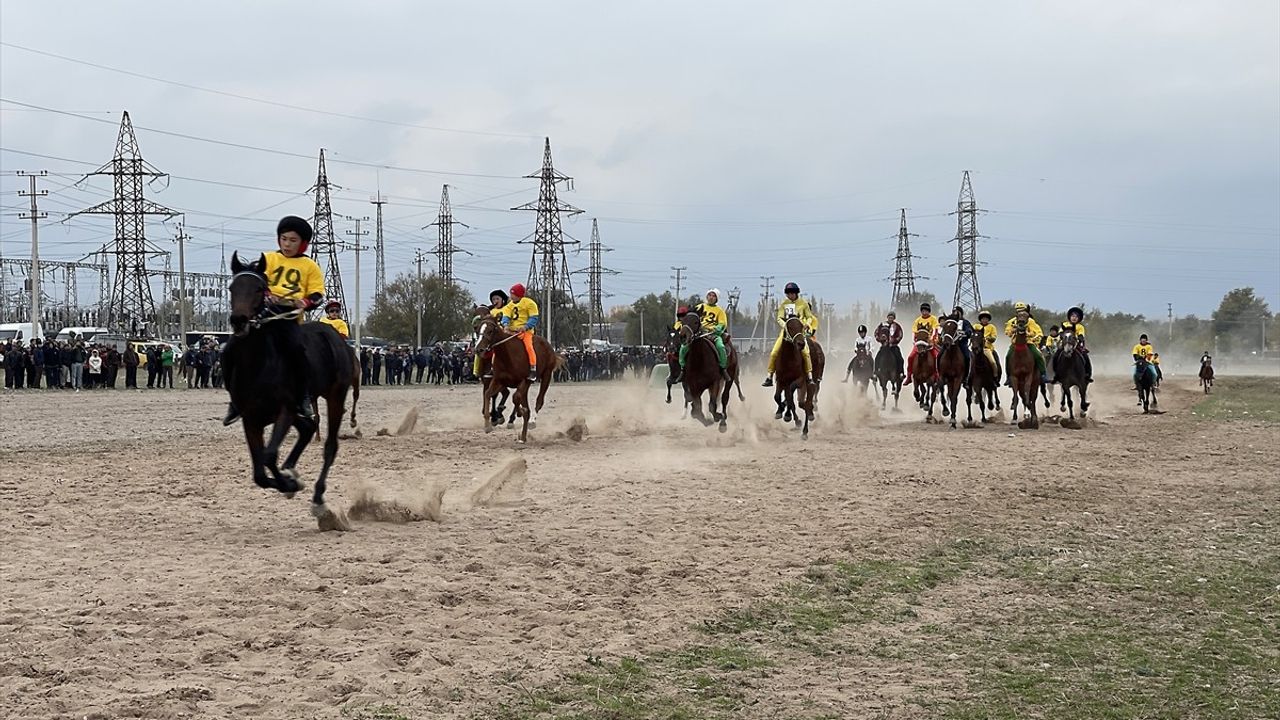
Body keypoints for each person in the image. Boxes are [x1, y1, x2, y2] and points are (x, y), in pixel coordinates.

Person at [223, 215, 324, 426]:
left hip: (288, 320)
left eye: (293, 240)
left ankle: (303, 397)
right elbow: (255, 281)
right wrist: (267, 294)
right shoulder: (268, 259)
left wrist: (304, 302)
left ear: (303, 243)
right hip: (263, 318)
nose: (287, 244)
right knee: (229, 350)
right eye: (284, 239)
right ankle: (234, 401)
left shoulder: (310, 266)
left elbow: (317, 295)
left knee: (298, 351)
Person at [763, 282, 816, 387]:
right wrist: (785, 326)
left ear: (796, 293)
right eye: (788, 293)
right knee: (774, 352)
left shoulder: (804, 304)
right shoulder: (784, 304)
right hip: (786, 333)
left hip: (799, 332)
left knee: (806, 353)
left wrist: (807, 324)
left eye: (792, 293)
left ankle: (809, 376)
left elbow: (809, 316)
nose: (790, 295)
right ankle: (769, 376)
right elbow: (779, 318)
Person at [673, 289, 729, 383]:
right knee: (683, 348)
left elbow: (723, 323)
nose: (711, 297)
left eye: (713, 296)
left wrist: (718, 328)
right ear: (707, 297)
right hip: (699, 333)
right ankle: (683, 370)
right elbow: (690, 317)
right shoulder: (700, 307)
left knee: (720, 347)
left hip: (712, 334)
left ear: (716, 298)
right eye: (709, 295)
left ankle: (723, 369)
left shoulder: (720, 311)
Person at [500, 283, 540, 382]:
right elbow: (506, 316)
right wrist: (505, 325)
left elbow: (534, 318)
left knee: (529, 347)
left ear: (518, 294)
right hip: (511, 331)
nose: (511, 296)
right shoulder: (509, 305)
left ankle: (533, 368)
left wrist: (525, 327)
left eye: (512, 294)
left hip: (525, 331)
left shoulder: (529, 303)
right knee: (499, 345)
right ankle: (494, 367)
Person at [1004, 302, 1047, 385]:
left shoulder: (1031, 321)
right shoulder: (1012, 321)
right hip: (1015, 344)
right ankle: (1008, 377)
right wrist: (1013, 330)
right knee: (1008, 356)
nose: (1020, 312)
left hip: (1029, 343)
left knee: (1039, 355)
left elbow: (1037, 332)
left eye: (1022, 310)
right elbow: (1007, 332)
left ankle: (1043, 375)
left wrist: (1029, 334)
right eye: (1018, 311)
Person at [473, 289, 509, 378]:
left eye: (497, 299)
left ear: (502, 300)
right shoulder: (490, 312)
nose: (495, 301)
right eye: (493, 300)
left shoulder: (507, 309)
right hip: (492, 337)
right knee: (479, 348)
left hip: (503, 335)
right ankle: (477, 371)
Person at [905, 302, 940, 383]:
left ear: (929, 311)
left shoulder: (933, 319)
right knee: (910, 357)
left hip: (929, 343)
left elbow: (935, 330)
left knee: (936, 357)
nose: (924, 312)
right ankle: (909, 376)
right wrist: (914, 341)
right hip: (919, 343)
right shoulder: (917, 320)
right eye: (923, 311)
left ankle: (937, 374)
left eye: (926, 311)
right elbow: (914, 332)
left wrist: (931, 340)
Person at [1058, 306, 1093, 382]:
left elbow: (1081, 334)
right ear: (1070, 317)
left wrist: (1080, 337)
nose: (1074, 318)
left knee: (1085, 356)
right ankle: (1056, 374)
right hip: (1064, 344)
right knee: (1056, 356)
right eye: (1073, 316)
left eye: (1076, 317)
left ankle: (1087, 374)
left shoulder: (1080, 327)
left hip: (1075, 345)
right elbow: (1061, 332)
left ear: (1079, 318)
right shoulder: (1065, 324)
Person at [875, 311, 905, 376]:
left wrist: (894, 340)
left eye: (892, 317)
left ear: (894, 318)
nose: (890, 318)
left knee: (900, 358)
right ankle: (875, 372)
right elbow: (876, 333)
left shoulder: (896, 326)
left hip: (893, 346)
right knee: (877, 357)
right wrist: (880, 339)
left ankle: (901, 373)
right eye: (889, 317)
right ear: (887, 317)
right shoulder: (882, 325)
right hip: (884, 346)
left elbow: (900, 335)